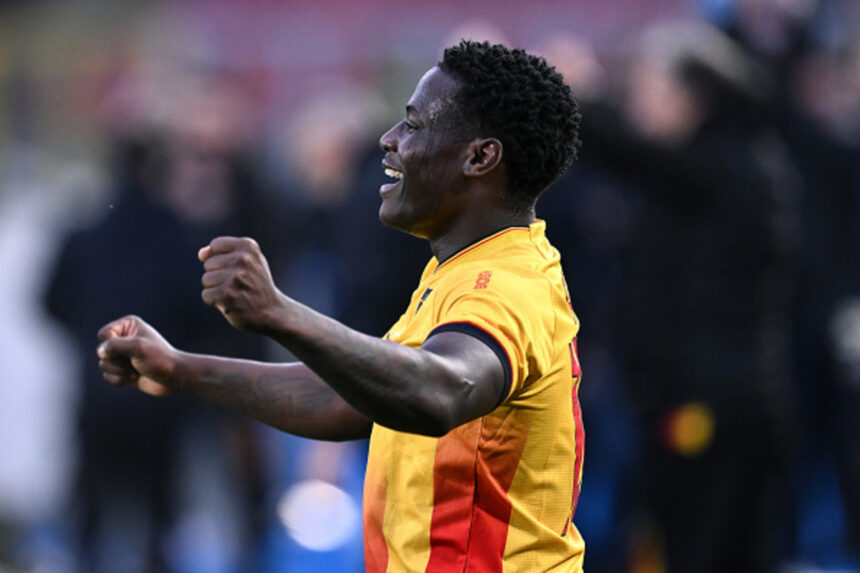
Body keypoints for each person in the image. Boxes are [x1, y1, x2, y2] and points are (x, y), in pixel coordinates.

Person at [96, 40, 585, 572]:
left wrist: (279, 313)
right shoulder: (462, 271)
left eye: (414, 125)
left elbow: (441, 391)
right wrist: (182, 370)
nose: (388, 139)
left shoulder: (506, 285)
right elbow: (356, 399)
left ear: (479, 157)